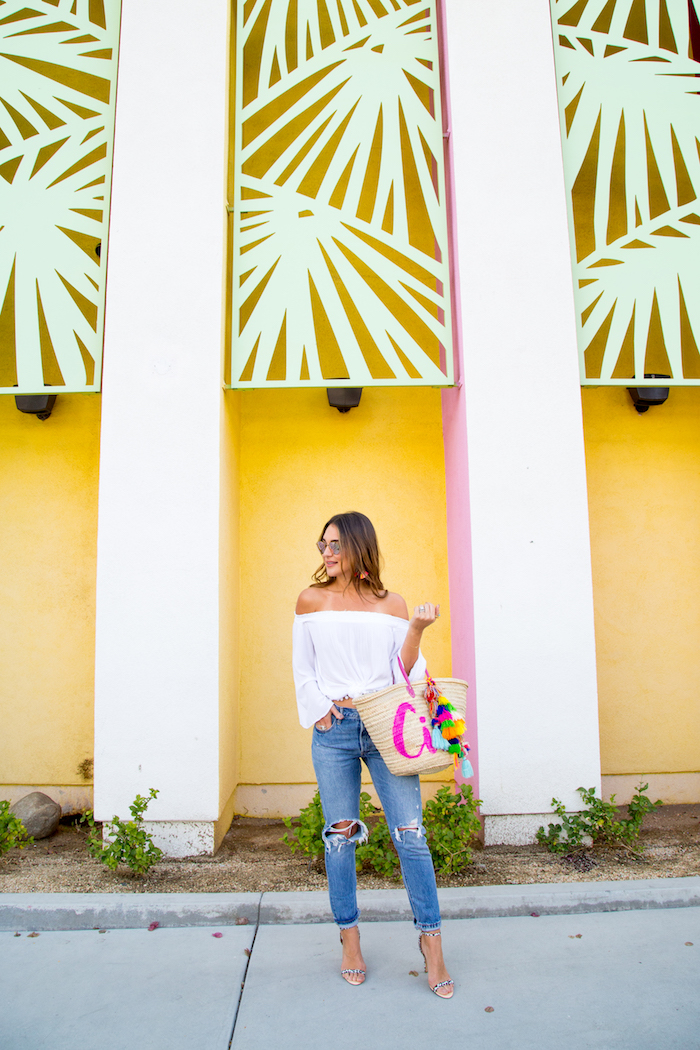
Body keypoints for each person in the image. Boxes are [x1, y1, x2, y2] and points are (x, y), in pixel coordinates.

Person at [293, 511, 454, 997]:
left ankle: (432, 943)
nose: (326, 552)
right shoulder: (310, 600)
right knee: (340, 837)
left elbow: (403, 671)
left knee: (411, 834)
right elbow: (304, 667)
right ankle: (350, 939)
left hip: (389, 726)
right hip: (336, 728)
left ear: (358, 546)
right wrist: (320, 710)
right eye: (322, 544)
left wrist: (418, 629)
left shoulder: (392, 604)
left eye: (336, 544)